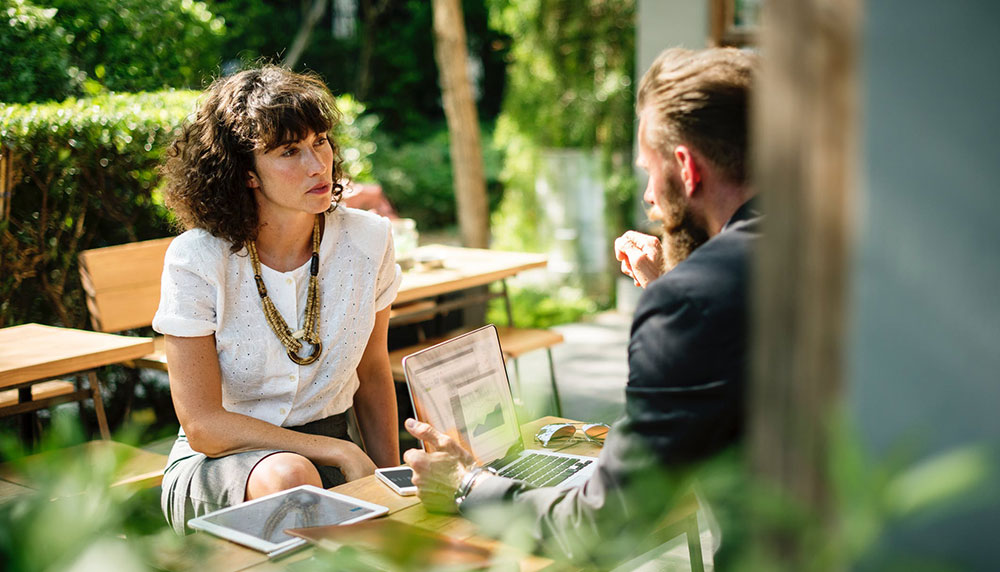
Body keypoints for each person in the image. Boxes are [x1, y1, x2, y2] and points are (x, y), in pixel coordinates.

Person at [403, 47, 760, 564]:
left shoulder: (690, 303)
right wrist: (675, 283)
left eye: (649, 171)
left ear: (685, 167)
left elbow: (601, 524)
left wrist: (467, 486)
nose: (648, 198)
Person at [153, 65, 400, 533]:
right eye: (289, 151)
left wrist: (390, 482)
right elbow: (204, 425)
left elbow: (372, 372)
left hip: (337, 455)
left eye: (320, 141)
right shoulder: (198, 258)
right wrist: (340, 450)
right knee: (292, 476)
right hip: (225, 465)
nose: (317, 164)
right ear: (246, 174)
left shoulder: (369, 239)